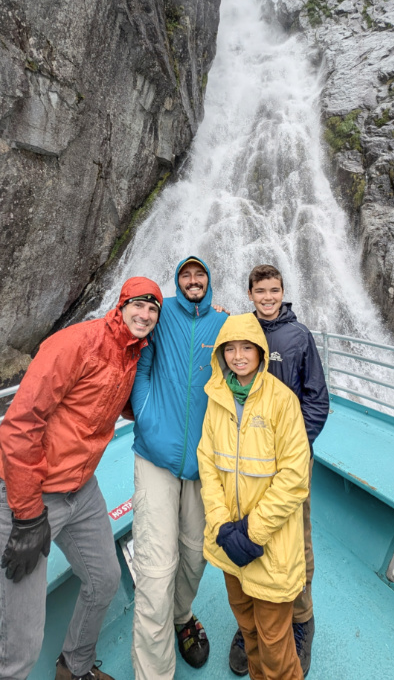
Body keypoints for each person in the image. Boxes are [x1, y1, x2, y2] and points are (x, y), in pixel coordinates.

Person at [0, 277, 163, 680]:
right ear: (120, 305)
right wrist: (28, 515)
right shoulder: (75, 344)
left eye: (153, 309)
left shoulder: (135, 354)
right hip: (25, 496)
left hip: (79, 490)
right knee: (21, 642)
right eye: (139, 305)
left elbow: (130, 403)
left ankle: (74, 667)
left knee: (105, 580)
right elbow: (20, 426)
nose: (145, 314)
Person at [228, 264, 329, 677]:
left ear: (283, 291)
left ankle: (301, 622)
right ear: (250, 294)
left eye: (274, 290)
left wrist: (291, 451)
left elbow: (317, 402)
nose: (267, 297)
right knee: (248, 537)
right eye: (260, 291)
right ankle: (248, 624)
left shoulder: (299, 336)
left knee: (296, 547)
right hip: (244, 463)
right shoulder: (240, 333)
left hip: (287, 466)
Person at [129, 255, 227, 679]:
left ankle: (182, 615)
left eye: (199, 275)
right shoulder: (160, 311)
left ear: (208, 282)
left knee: (194, 554)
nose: (192, 280)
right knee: (154, 566)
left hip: (205, 461)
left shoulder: (223, 324)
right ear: (177, 280)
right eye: (186, 274)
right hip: (156, 454)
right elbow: (139, 360)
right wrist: (145, 415)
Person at [198, 313, 310, 680]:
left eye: (247, 347)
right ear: (221, 354)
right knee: (249, 632)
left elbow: (294, 477)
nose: (238, 356)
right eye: (230, 348)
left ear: (261, 352)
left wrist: (252, 532)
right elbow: (208, 464)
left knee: (277, 647)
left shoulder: (282, 401)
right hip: (229, 544)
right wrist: (221, 525)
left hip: (269, 547)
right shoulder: (216, 399)